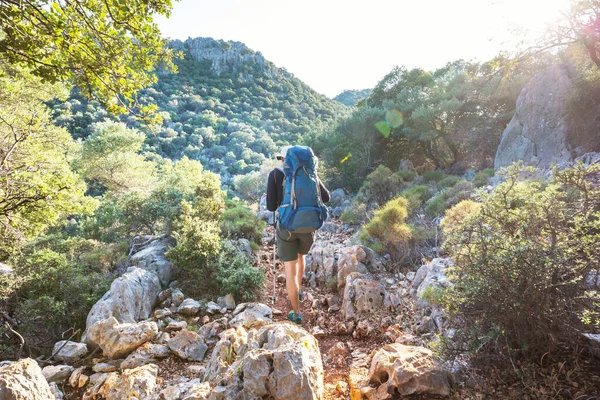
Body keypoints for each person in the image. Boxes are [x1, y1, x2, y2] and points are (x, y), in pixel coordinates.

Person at [266, 145, 330, 325]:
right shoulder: (310, 173)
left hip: (287, 228)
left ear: (285, 159)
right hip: (309, 228)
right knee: (301, 256)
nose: (280, 161)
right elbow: (327, 198)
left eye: (281, 158)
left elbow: (271, 207)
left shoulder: (276, 175)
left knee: (290, 271)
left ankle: (296, 312)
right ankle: (299, 289)